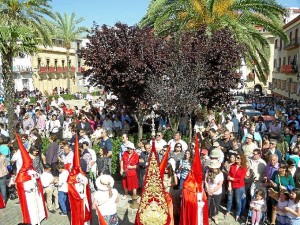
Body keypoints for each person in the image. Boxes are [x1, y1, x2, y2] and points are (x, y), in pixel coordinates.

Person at [225, 153, 248, 222]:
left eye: (238, 158)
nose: (236, 159)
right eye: (236, 157)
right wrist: (229, 185)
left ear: (242, 159)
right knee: (229, 199)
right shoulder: (233, 166)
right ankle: (228, 211)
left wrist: (232, 179)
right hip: (231, 185)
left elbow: (241, 179)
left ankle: (238, 214)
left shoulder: (244, 168)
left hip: (239, 186)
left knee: (238, 201)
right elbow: (229, 175)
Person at [205, 159, 223, 225]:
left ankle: (215, 216)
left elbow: (220, 184)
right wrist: (208, 189)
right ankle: (208, 217)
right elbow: (206, 181)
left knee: (216, 205)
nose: (212, 169)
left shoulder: (220, 174)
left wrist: (212, 191)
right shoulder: (208, 171)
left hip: (217, 192)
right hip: (209, 191)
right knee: (209, 205)